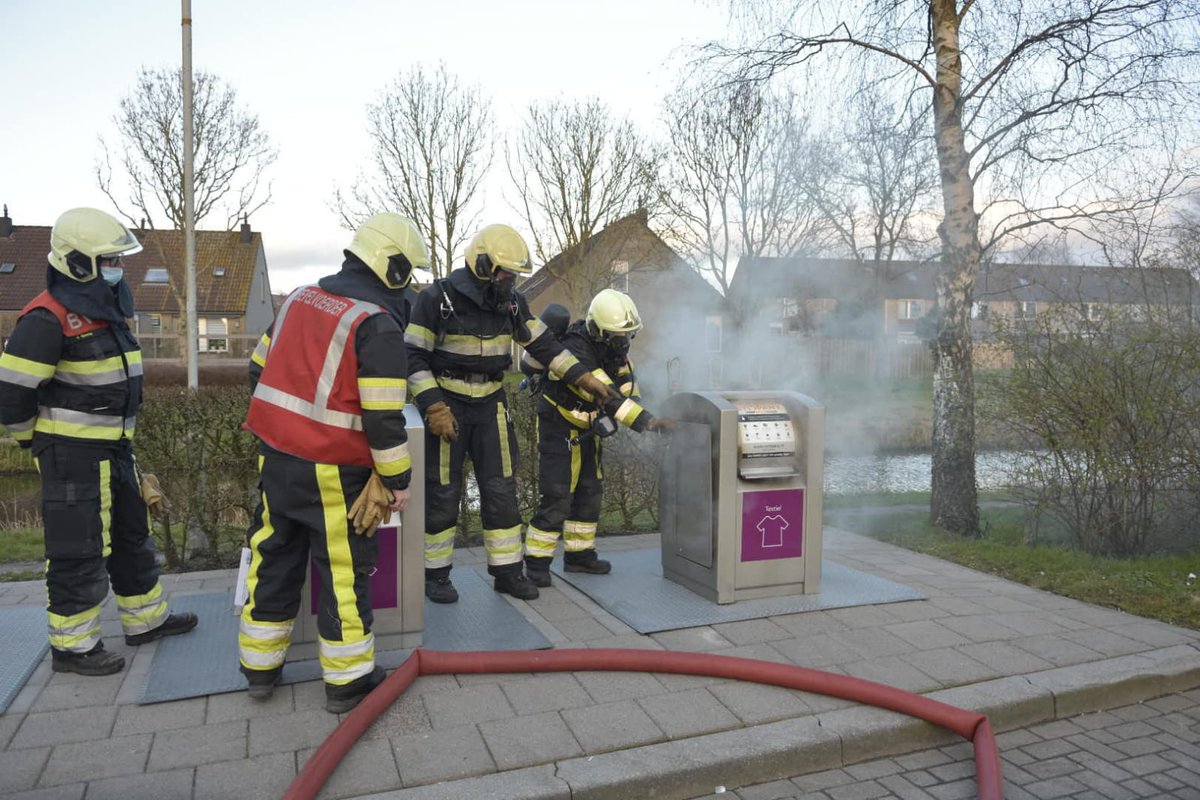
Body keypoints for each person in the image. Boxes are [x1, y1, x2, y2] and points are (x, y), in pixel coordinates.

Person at [239, 213, 427, 713]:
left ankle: (259, 670)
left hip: (277, 457)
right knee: (343, 571)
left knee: (273, 556)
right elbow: (384, 418)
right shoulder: (377, 324)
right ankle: (348, 683)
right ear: (393, 267)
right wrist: (396, 481)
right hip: (332, 470)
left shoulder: (299, 298)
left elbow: (256, 369)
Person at [0, 207, 197, 676]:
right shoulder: (44, 320)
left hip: (114, 449)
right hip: (72, 456)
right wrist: (42, 445)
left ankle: (145, 619)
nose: (118, 268)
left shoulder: (105, 312)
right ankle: (73, 647)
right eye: (109, 260)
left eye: (119, 260)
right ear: (79, 262)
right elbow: (11, 398)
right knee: (79, 549)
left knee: (132, 535)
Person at [406, 224, 619, 604]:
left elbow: (546, 345)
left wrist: (584, 378)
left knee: (501, 488)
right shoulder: (438, 298)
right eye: (505, 271)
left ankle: (506, 573)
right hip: (447, 405)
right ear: (482, 262)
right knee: (443, 493)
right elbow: (413, 356)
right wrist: (433, 406)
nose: (510, 279)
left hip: (491, 404)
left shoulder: (512, 302)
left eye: (514, 273)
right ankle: (435, 575)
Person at [522, 289, 674, 587]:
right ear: (598, 331)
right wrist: (649, 422)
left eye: (628, 335)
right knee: (557, 494)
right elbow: (609, 397)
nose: (624, 343)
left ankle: (579, 556)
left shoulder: (614, 351)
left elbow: (628, 391)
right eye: (618, 336)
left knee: (589, 491)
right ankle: (536, 563)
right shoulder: (576, 350)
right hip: (559, 428)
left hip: (587, 429)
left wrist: (644, 410)